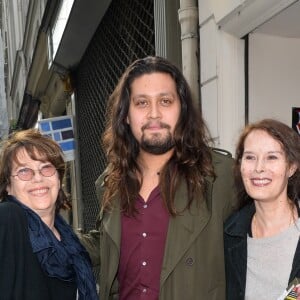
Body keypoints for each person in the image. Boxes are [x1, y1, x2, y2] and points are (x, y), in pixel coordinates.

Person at [80, 56, 236, 300]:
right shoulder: (112, 182)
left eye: (165, 101)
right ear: (126, 116)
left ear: (182, 110)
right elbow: (109, 245)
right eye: (142, 103)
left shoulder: (220, 177)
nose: (154, 113)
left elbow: (267, 239)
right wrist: (47, 231)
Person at [0, 129, 98, 300]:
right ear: (8, 186)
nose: (37, 178)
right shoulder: (8, 218)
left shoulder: (70, 241)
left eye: (46, 168)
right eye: (24, 171)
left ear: (58, 179)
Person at [224, 119, 300, 300]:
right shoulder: (229, 234)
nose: (258, 168)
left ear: (291, 167)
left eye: (271, 157)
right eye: (250, 157)